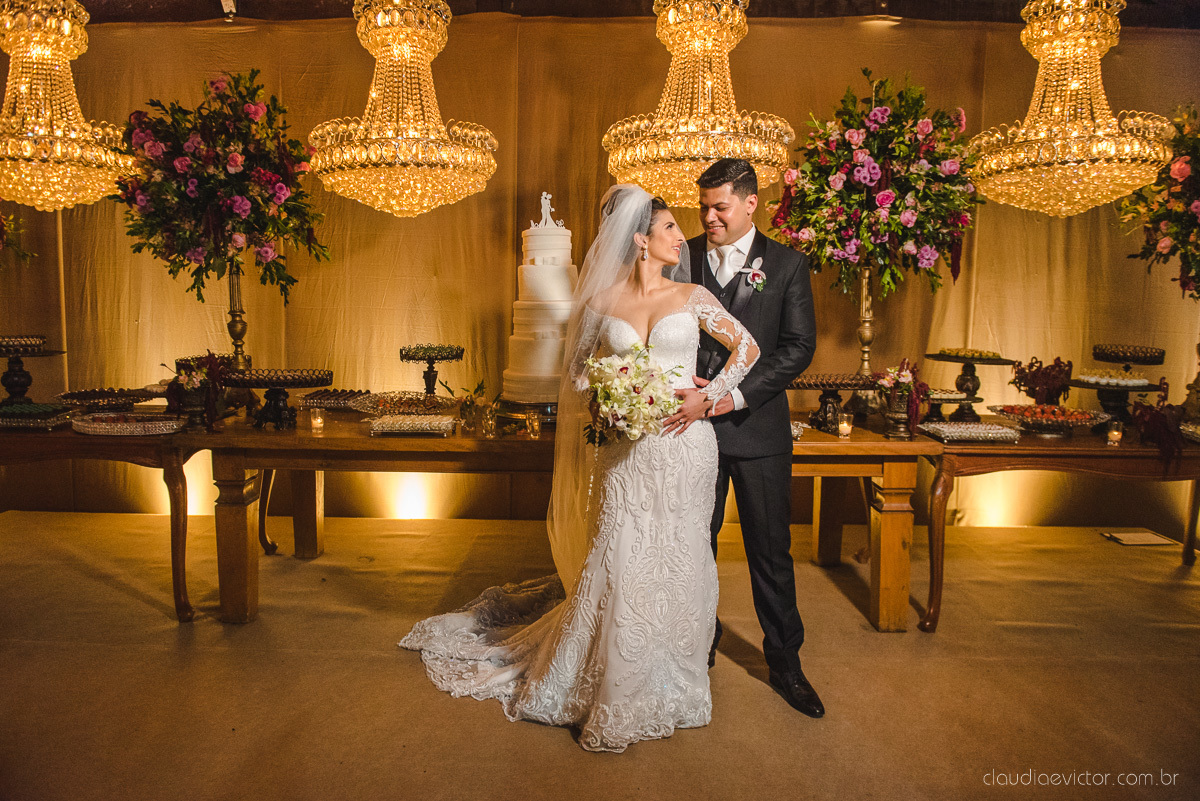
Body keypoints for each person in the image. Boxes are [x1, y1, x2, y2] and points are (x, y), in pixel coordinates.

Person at [400, 185, 760, 752]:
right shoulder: (601, 303)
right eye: (668, 230)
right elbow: (578, 374)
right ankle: (614, 681)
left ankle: (674, 680)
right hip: (624, 449)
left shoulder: (692, 296)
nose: (678, 239)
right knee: (620, 552)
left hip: (685, 446)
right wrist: (607, 402)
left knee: (680, 556)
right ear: (641, 239)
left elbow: (748, 351)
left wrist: (709, 395)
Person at [664, 158, 822, 718]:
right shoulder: (678, 254)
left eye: (719, 206)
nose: (707, 217)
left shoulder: (786, 265)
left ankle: (786, 664)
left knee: (770, 553)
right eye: (702, 206)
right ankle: (693, 649)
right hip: (688, 435)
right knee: (692, 547)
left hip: (757, 432)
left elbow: (798, 347)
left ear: (751, 203)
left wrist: (732, 396)